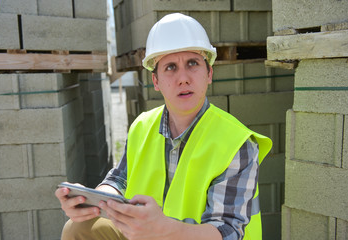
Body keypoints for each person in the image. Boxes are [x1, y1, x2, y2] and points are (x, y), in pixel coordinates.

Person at [55, 13, 272, 240]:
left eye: (193, 63)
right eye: (170, 67)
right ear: (156, 81)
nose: (183, 78)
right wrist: (91, 201)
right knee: (79, 228)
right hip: (149, 235)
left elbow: (227, 231)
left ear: (209, 74)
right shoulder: (142, 126)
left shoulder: (236, 143)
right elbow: (118, 181)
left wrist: (163, 230)